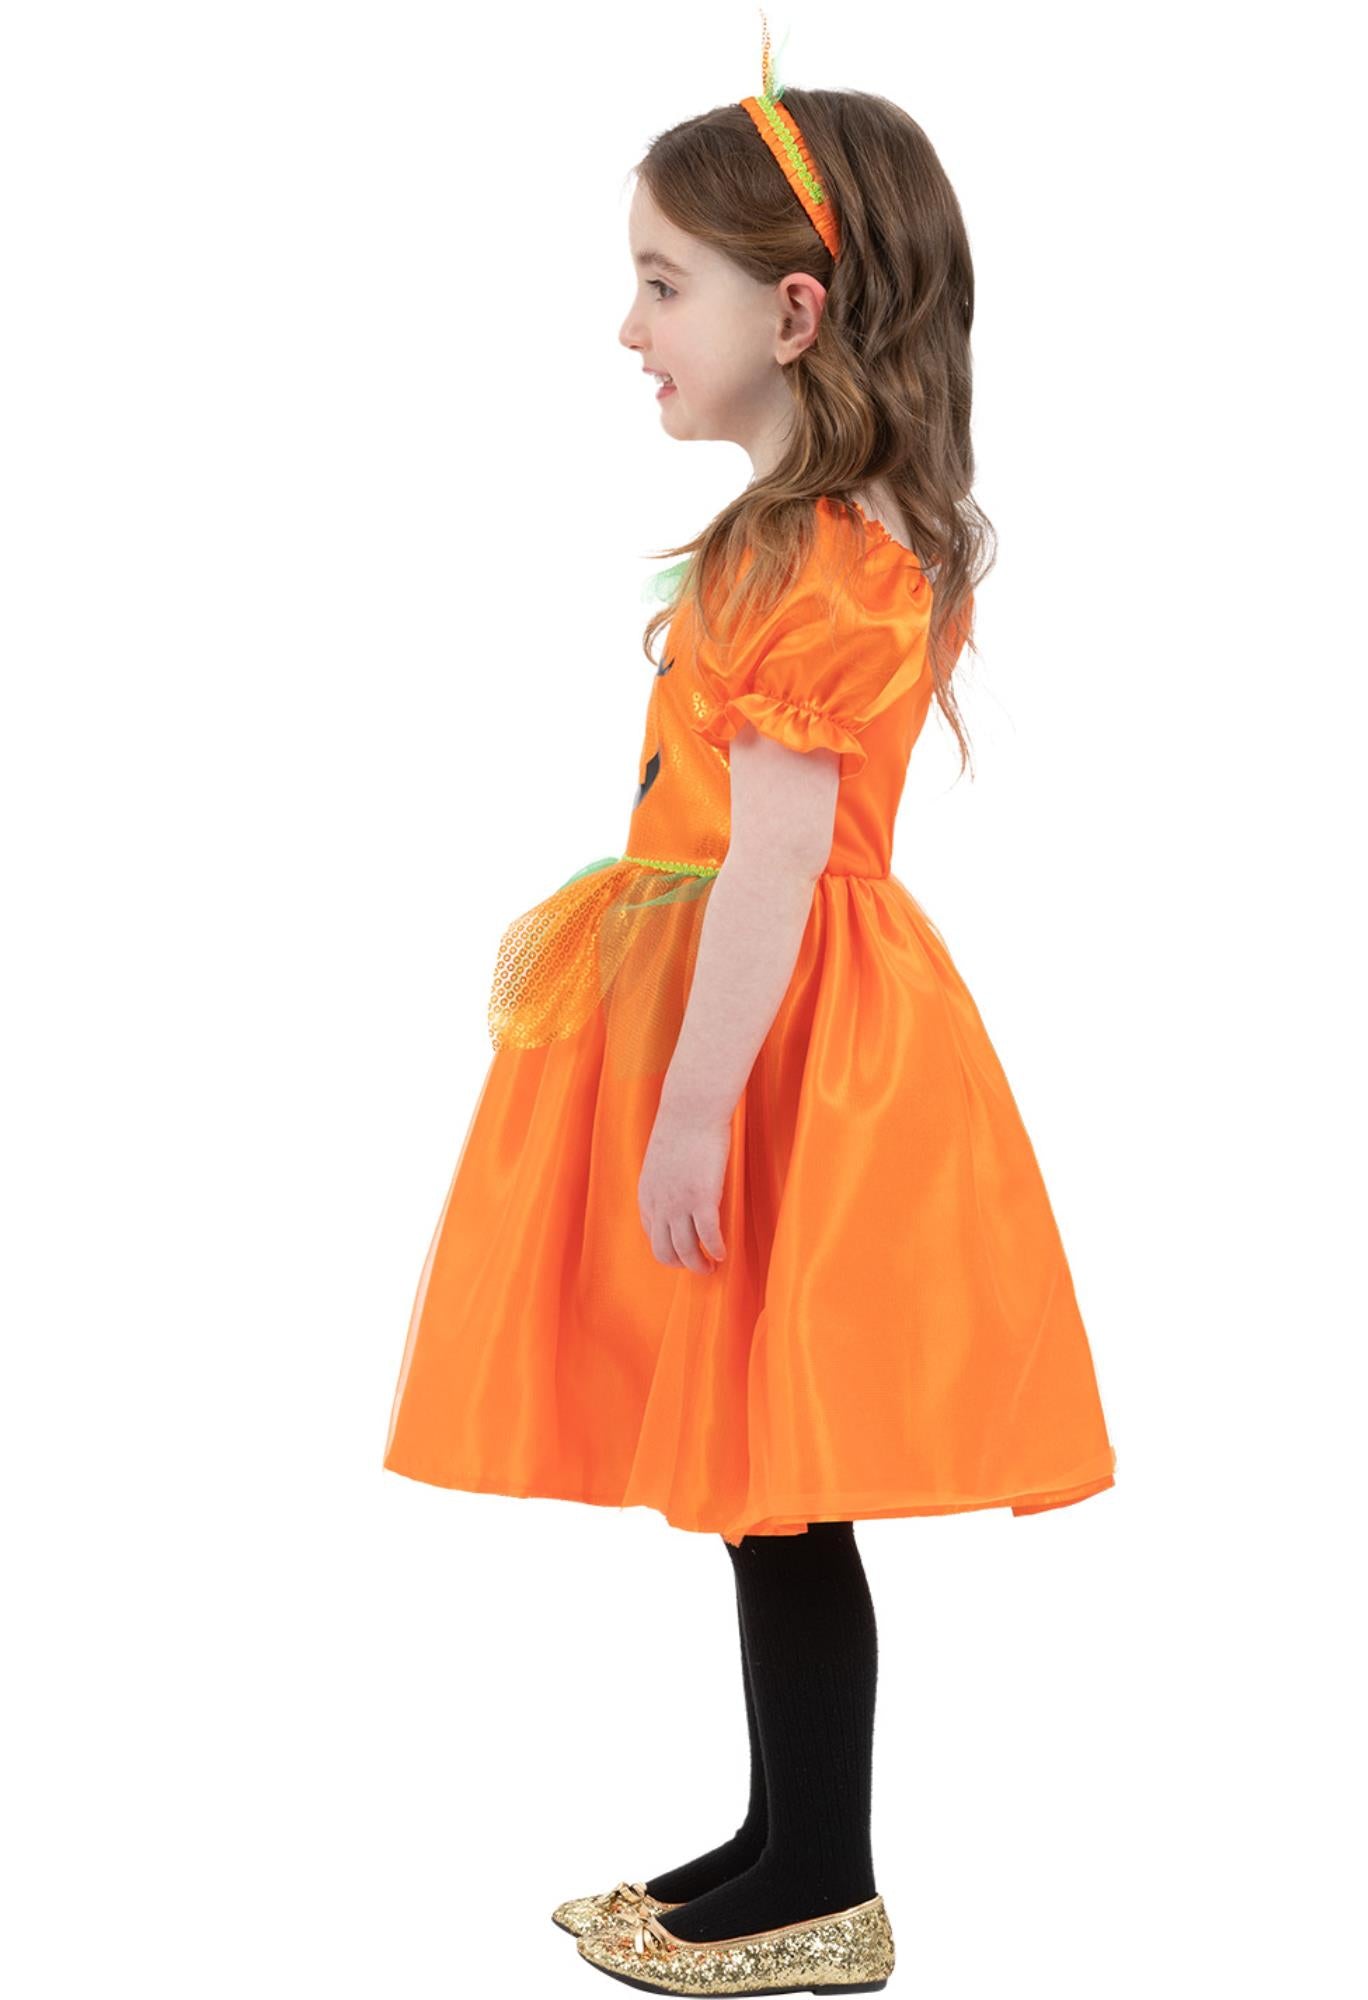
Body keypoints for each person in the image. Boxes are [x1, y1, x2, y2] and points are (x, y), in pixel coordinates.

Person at [383, 30, 1116, 1997]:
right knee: (753, 1481)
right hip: (743, 1005)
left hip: (784, 1041)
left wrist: (696, 1108)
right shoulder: (797, 538)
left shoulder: (829, 562)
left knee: (783, 1486)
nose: (626, 328)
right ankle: (782, 1841)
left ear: (792, 314)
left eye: (660, 283)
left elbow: (780, 865)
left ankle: (822, 1882)